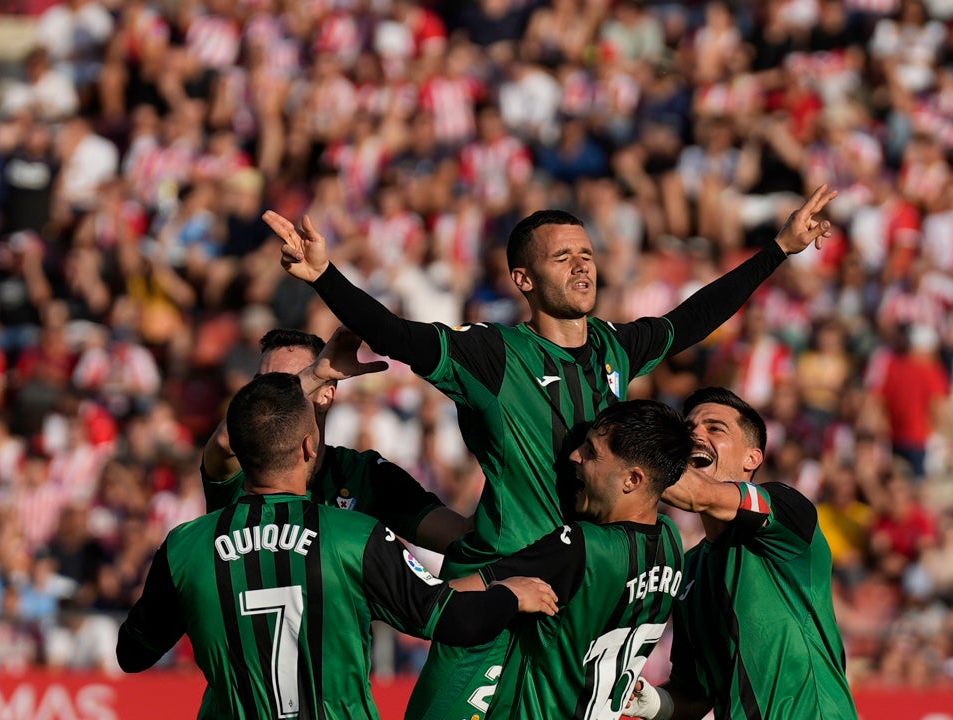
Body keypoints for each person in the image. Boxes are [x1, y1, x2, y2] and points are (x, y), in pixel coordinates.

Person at [264, 184, 837, 719]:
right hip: (499, 592)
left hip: (577, 602)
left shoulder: (616, 347)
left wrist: (780, 249)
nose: (582, 264)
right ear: (524, 279)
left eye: (586, 253)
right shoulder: (492, 355)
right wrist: (325, 278)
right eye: (562, 257)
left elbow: (694, 317)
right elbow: (397, 334)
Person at [116, 372, 558, 719]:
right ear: (310, 447)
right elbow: (449, 619)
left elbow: (133, 654)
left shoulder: (185, 546)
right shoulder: (355, 536)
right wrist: (509, 594)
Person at [624, 386, 858, 720]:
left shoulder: (785, 510)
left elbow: (700, 495)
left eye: (714, 428)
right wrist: (649, 701)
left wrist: (623, 454)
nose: (696, 436)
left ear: (752, 457)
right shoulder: (689, 569)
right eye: (689, 430)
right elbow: (694, 694)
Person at [452, 399, 692, 719]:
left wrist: (506, 595)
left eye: (592, 452)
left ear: (632, 480)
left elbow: (449, 598)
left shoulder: (582, 547)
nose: (574, 456)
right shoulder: (671, 540)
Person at [202, 326, 469, 552]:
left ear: (326, 395)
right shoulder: (239, 471)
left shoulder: (363, 475)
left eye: (286, 382)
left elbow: (460, 538)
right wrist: (313, 376)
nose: (265, 395)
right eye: (260, 384)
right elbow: (227, 440)